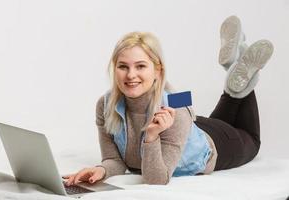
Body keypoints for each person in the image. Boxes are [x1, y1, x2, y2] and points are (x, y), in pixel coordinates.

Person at [64, 15, 274, 185]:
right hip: (188, 126)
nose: (130, 75)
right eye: (123, 66)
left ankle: (235, 67)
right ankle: (234, 66)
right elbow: (114, 161)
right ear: (114, 68)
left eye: (140, 66)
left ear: (158, 70)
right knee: (213, 103)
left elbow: (157, 179)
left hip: (213, 143)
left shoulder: (175, 107)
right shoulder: (105, 104)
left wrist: (152, 136)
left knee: (252, 141)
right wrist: (100, 170)